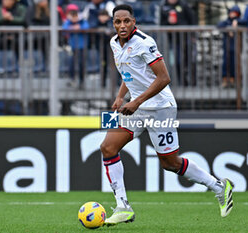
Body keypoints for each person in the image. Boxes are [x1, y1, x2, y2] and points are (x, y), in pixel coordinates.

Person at [100, 4, 234, 226]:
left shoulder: (145, 42)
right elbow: (129, 72)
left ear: (134, 22)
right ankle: (123, 207)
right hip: (136, 107)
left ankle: (219, 187)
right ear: (113, 23)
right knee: (107, 147)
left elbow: (164, 78)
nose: (122, 25)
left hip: (160, 108)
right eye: (117, 22)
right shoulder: (114, 43)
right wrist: (120, 97)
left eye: (126, 21)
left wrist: (136, 101)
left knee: (170, 163)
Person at [217, 5, 242, 88]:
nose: (233, 15)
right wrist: (230, 28)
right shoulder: (226, 22)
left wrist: (236, 23)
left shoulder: (240, 22)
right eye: (232, 13)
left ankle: (234, 80)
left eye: (235, 13)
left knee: (235, 64)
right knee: (226, 64)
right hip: (227, 47)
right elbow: (219, 24)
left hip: (236, 48)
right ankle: (225, 80)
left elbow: (245, 22)